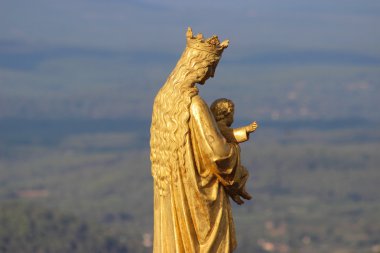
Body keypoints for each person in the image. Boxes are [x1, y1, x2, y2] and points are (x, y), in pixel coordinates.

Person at [150, 28, 250, 252]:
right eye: (210, 68)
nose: (211, 75)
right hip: (197, 199)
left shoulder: (163, 100)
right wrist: (238, 170)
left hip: (171, 194)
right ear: (198, 66)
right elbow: (218, 154)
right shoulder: (195, 105)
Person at [210, 98, 258, 205]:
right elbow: (232, 135)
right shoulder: (220, 127)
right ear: (226, 114)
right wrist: (247, 129)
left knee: (243, 173)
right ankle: (237, 191)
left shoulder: (215, 127)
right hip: (223, 164)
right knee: (243, 173)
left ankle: (237, 191)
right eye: (232, 114)